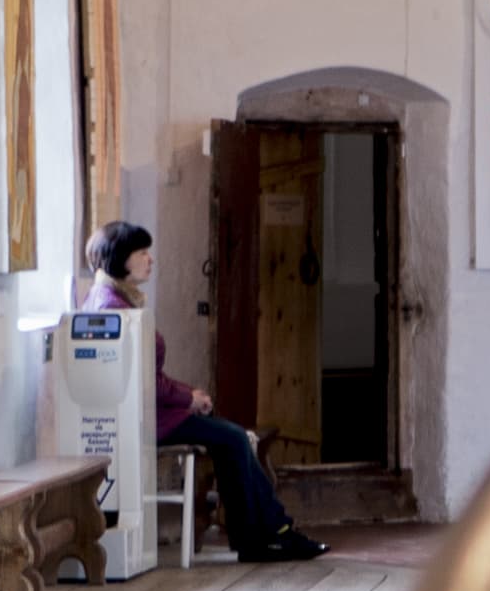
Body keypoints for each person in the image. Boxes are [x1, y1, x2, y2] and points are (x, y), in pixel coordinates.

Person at [78, 221, 326, 565]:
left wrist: (189, 394)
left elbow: (149, 375)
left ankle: (265, 534)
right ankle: (268, 535)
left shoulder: (114, 298)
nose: (151, 259)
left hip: (152, 410)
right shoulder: (112, 308)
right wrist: (187, 399)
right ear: (120, 257)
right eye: (142, 252)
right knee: (234, 438)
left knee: (232, 438)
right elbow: (139, 380)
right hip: (145, 418)